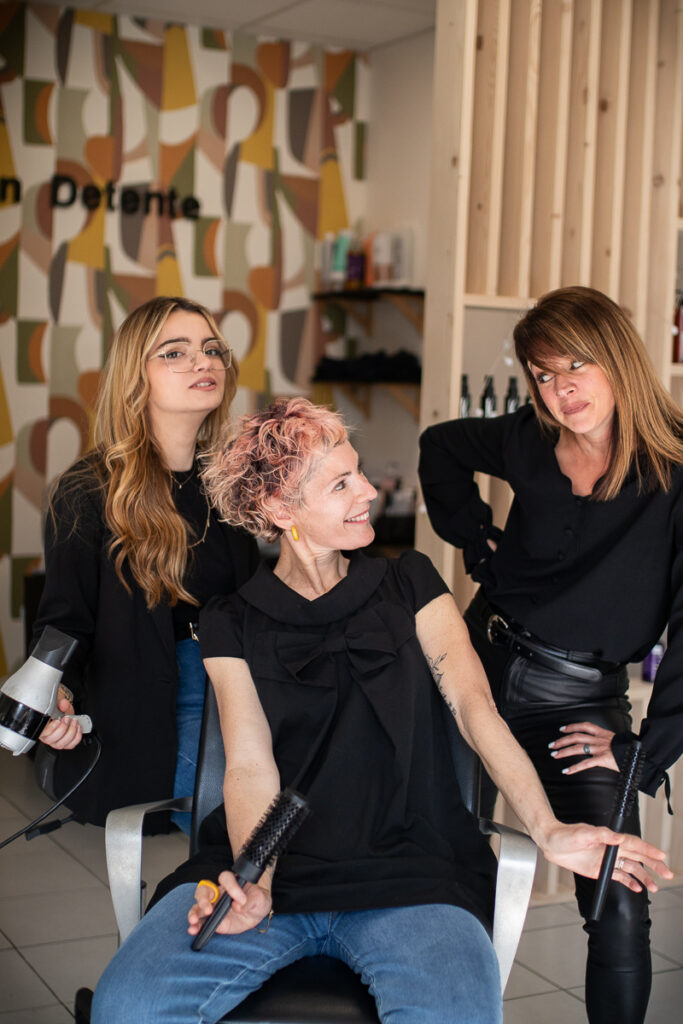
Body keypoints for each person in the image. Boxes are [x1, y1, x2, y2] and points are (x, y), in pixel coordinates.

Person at [91, 396, 671, 1024]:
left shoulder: (412, 583)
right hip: (276, 875)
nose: (369, 490)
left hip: (414, 874)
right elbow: (250, 764)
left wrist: (548, 828)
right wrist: (255, 880)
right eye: (342, 483)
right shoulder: (230, 621)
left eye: (360, 471)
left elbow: (478, 713)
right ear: (280, 510)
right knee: (130, 1005)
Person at [418, 285, 683, 1024]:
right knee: (439, 871)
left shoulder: (676, 471)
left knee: (618, 892)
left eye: (576, 368)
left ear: (618, 360)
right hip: (473, 668)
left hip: (576, 703)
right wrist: (475, 541)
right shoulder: (526, 440)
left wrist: (639, 755)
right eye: (542, 374)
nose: (560, 391)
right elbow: (439, 447)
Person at [33, 296, 260, 832]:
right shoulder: (87, 492)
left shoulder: (229, 483)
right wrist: (56, 697)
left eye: (211, 350)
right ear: (136, 377)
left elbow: (257, 601)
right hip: (156, 703)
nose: (202, 363)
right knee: (245, 827)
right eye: (175, 353)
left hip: (243, 686)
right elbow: (65, 620)